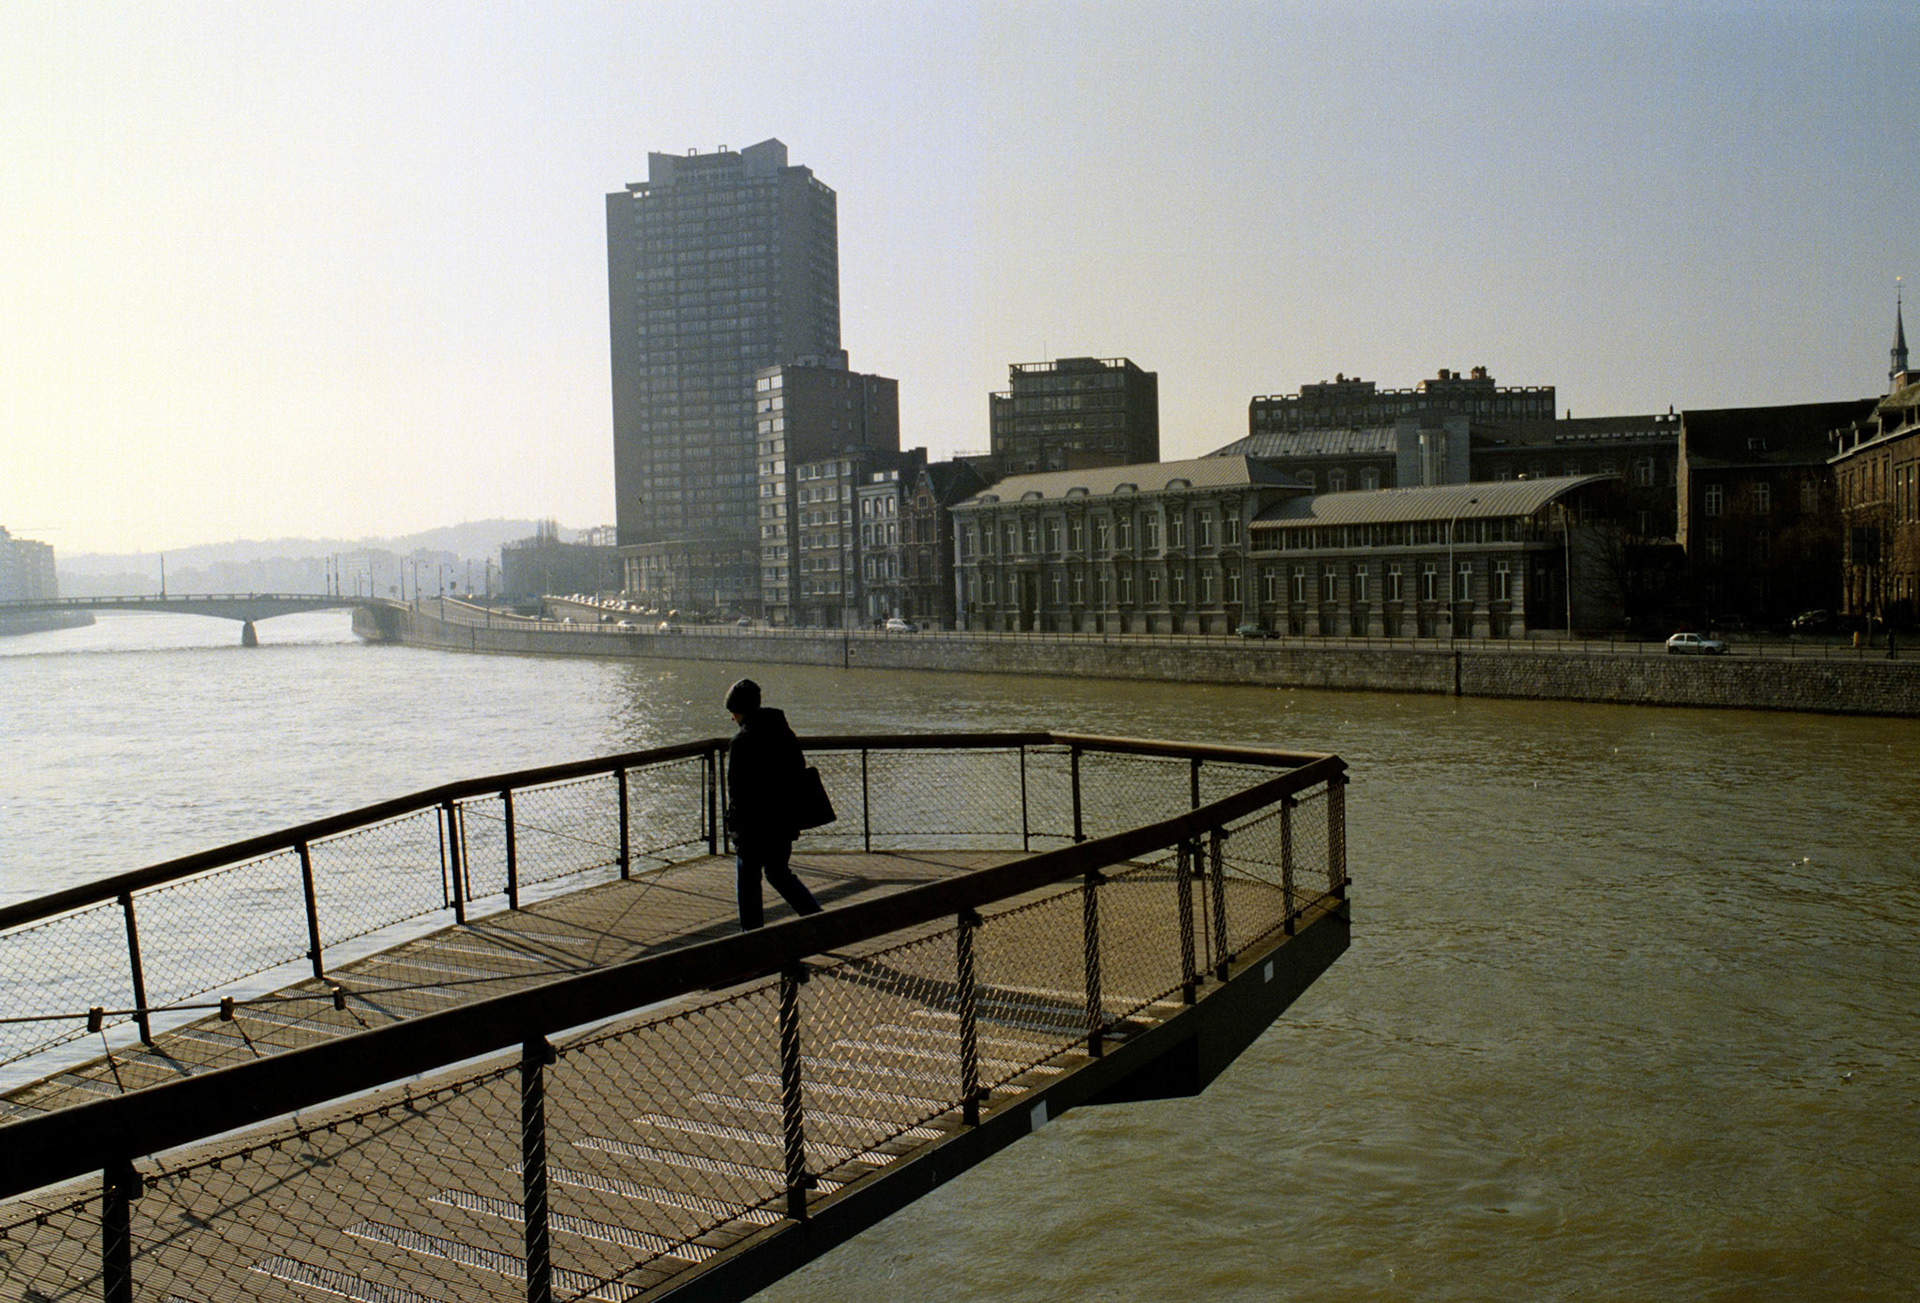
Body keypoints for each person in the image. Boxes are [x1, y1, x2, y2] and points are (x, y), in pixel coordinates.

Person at [724, 678, 824, 930]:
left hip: (753, 826)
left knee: (748, 880)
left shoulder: (740, 743)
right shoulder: (783, 733)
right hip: (782, 820)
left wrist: (734, 827)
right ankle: (819, 921)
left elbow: (737, 792)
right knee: (778, 873)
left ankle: (753, 939)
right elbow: (797, 770)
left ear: (738, 711)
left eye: (733, 712)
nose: (732, 718)